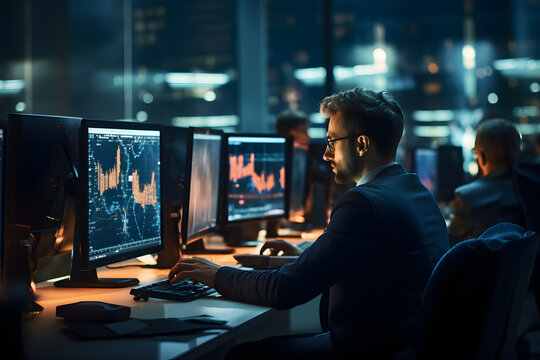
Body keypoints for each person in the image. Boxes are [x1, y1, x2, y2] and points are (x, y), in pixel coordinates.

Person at [169, 87, 449, 359]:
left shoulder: (362, 203)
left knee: (241, 353)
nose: (326, 155)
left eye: (332, 142)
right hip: (403, 343)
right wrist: (306, 258)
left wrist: (215, 275)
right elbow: (377, 265)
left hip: (367, 349)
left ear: (362, 144)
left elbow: (284, 291)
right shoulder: (416, 191)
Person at [448, 118, 525, 246]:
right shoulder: (530, 191)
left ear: (482, 156)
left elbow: (446, 246)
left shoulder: (467, 198)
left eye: (475, 152)